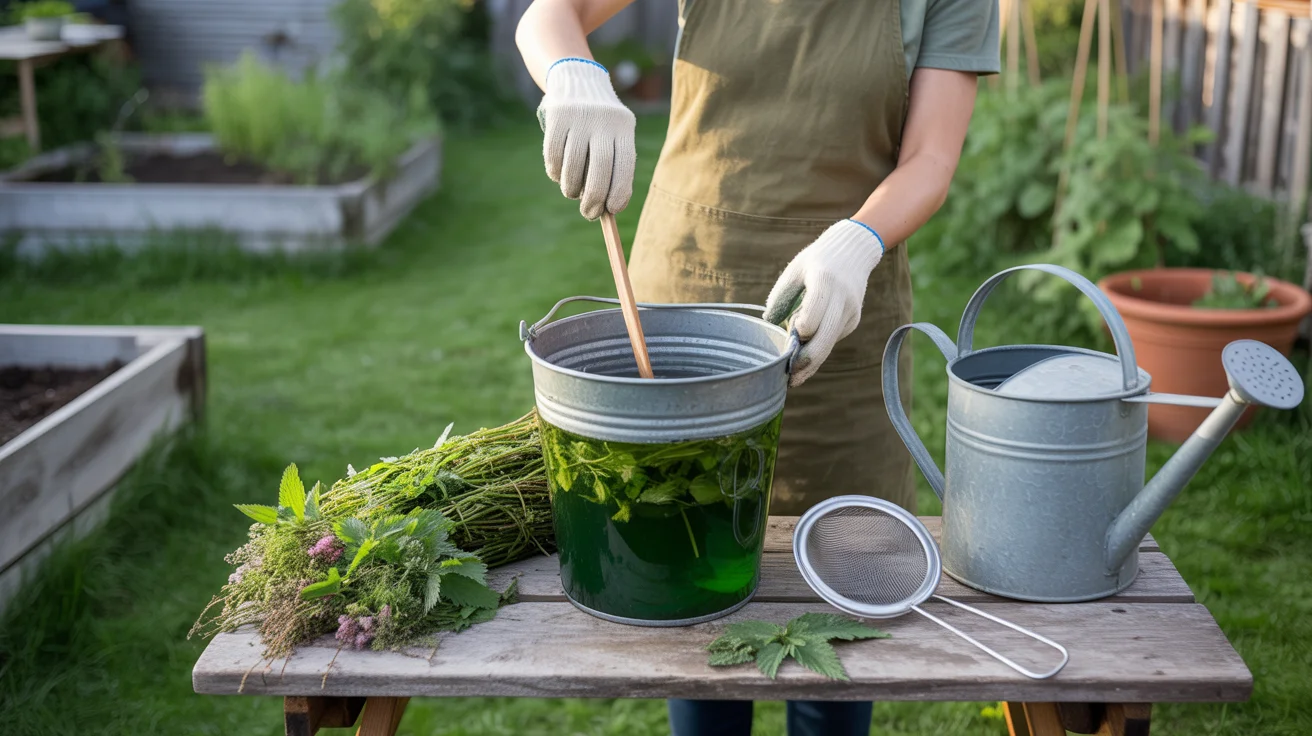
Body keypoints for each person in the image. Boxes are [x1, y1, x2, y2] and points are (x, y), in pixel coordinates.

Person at [517, 0, 998, 733]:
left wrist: (861, 240)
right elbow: (549, 15)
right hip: (686, 302)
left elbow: (931, 157)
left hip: (839, 316)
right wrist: (573, 70)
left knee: (840, 614)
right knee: (689, 590)